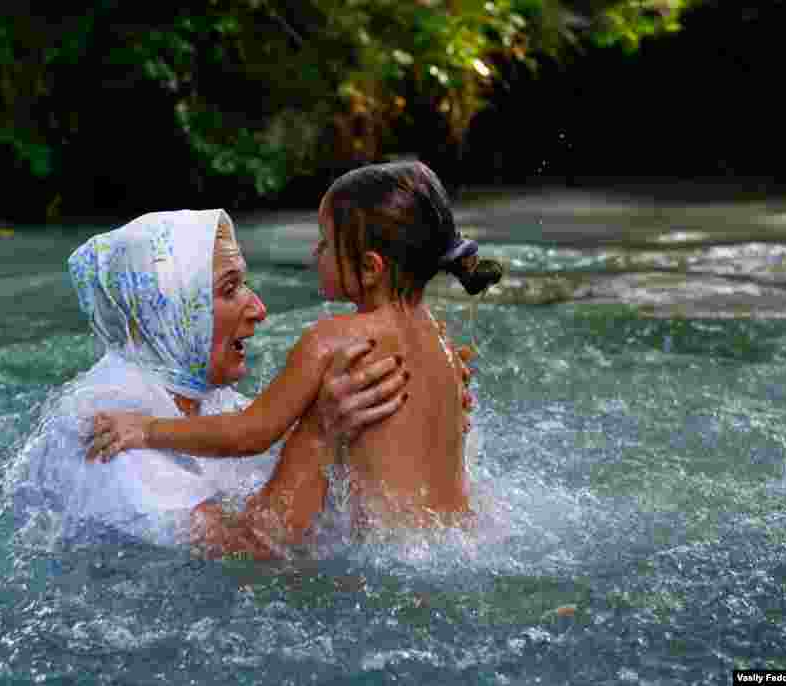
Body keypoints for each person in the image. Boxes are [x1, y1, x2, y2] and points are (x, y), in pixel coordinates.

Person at [87, 161, 501, 557]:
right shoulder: (444, 344)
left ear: (370, 268)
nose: (314, 255)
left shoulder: (332, 340)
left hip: (390, 557)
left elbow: (251, 433)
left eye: (324, 243)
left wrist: (147, 430)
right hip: (459, 541)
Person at [11, 208, 423, 546]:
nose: (259, 308)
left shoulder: (205, 400)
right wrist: (320, 431)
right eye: (230, 290)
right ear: (168, 312)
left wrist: (404, 389)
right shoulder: (104, 427)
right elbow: (248, 553)